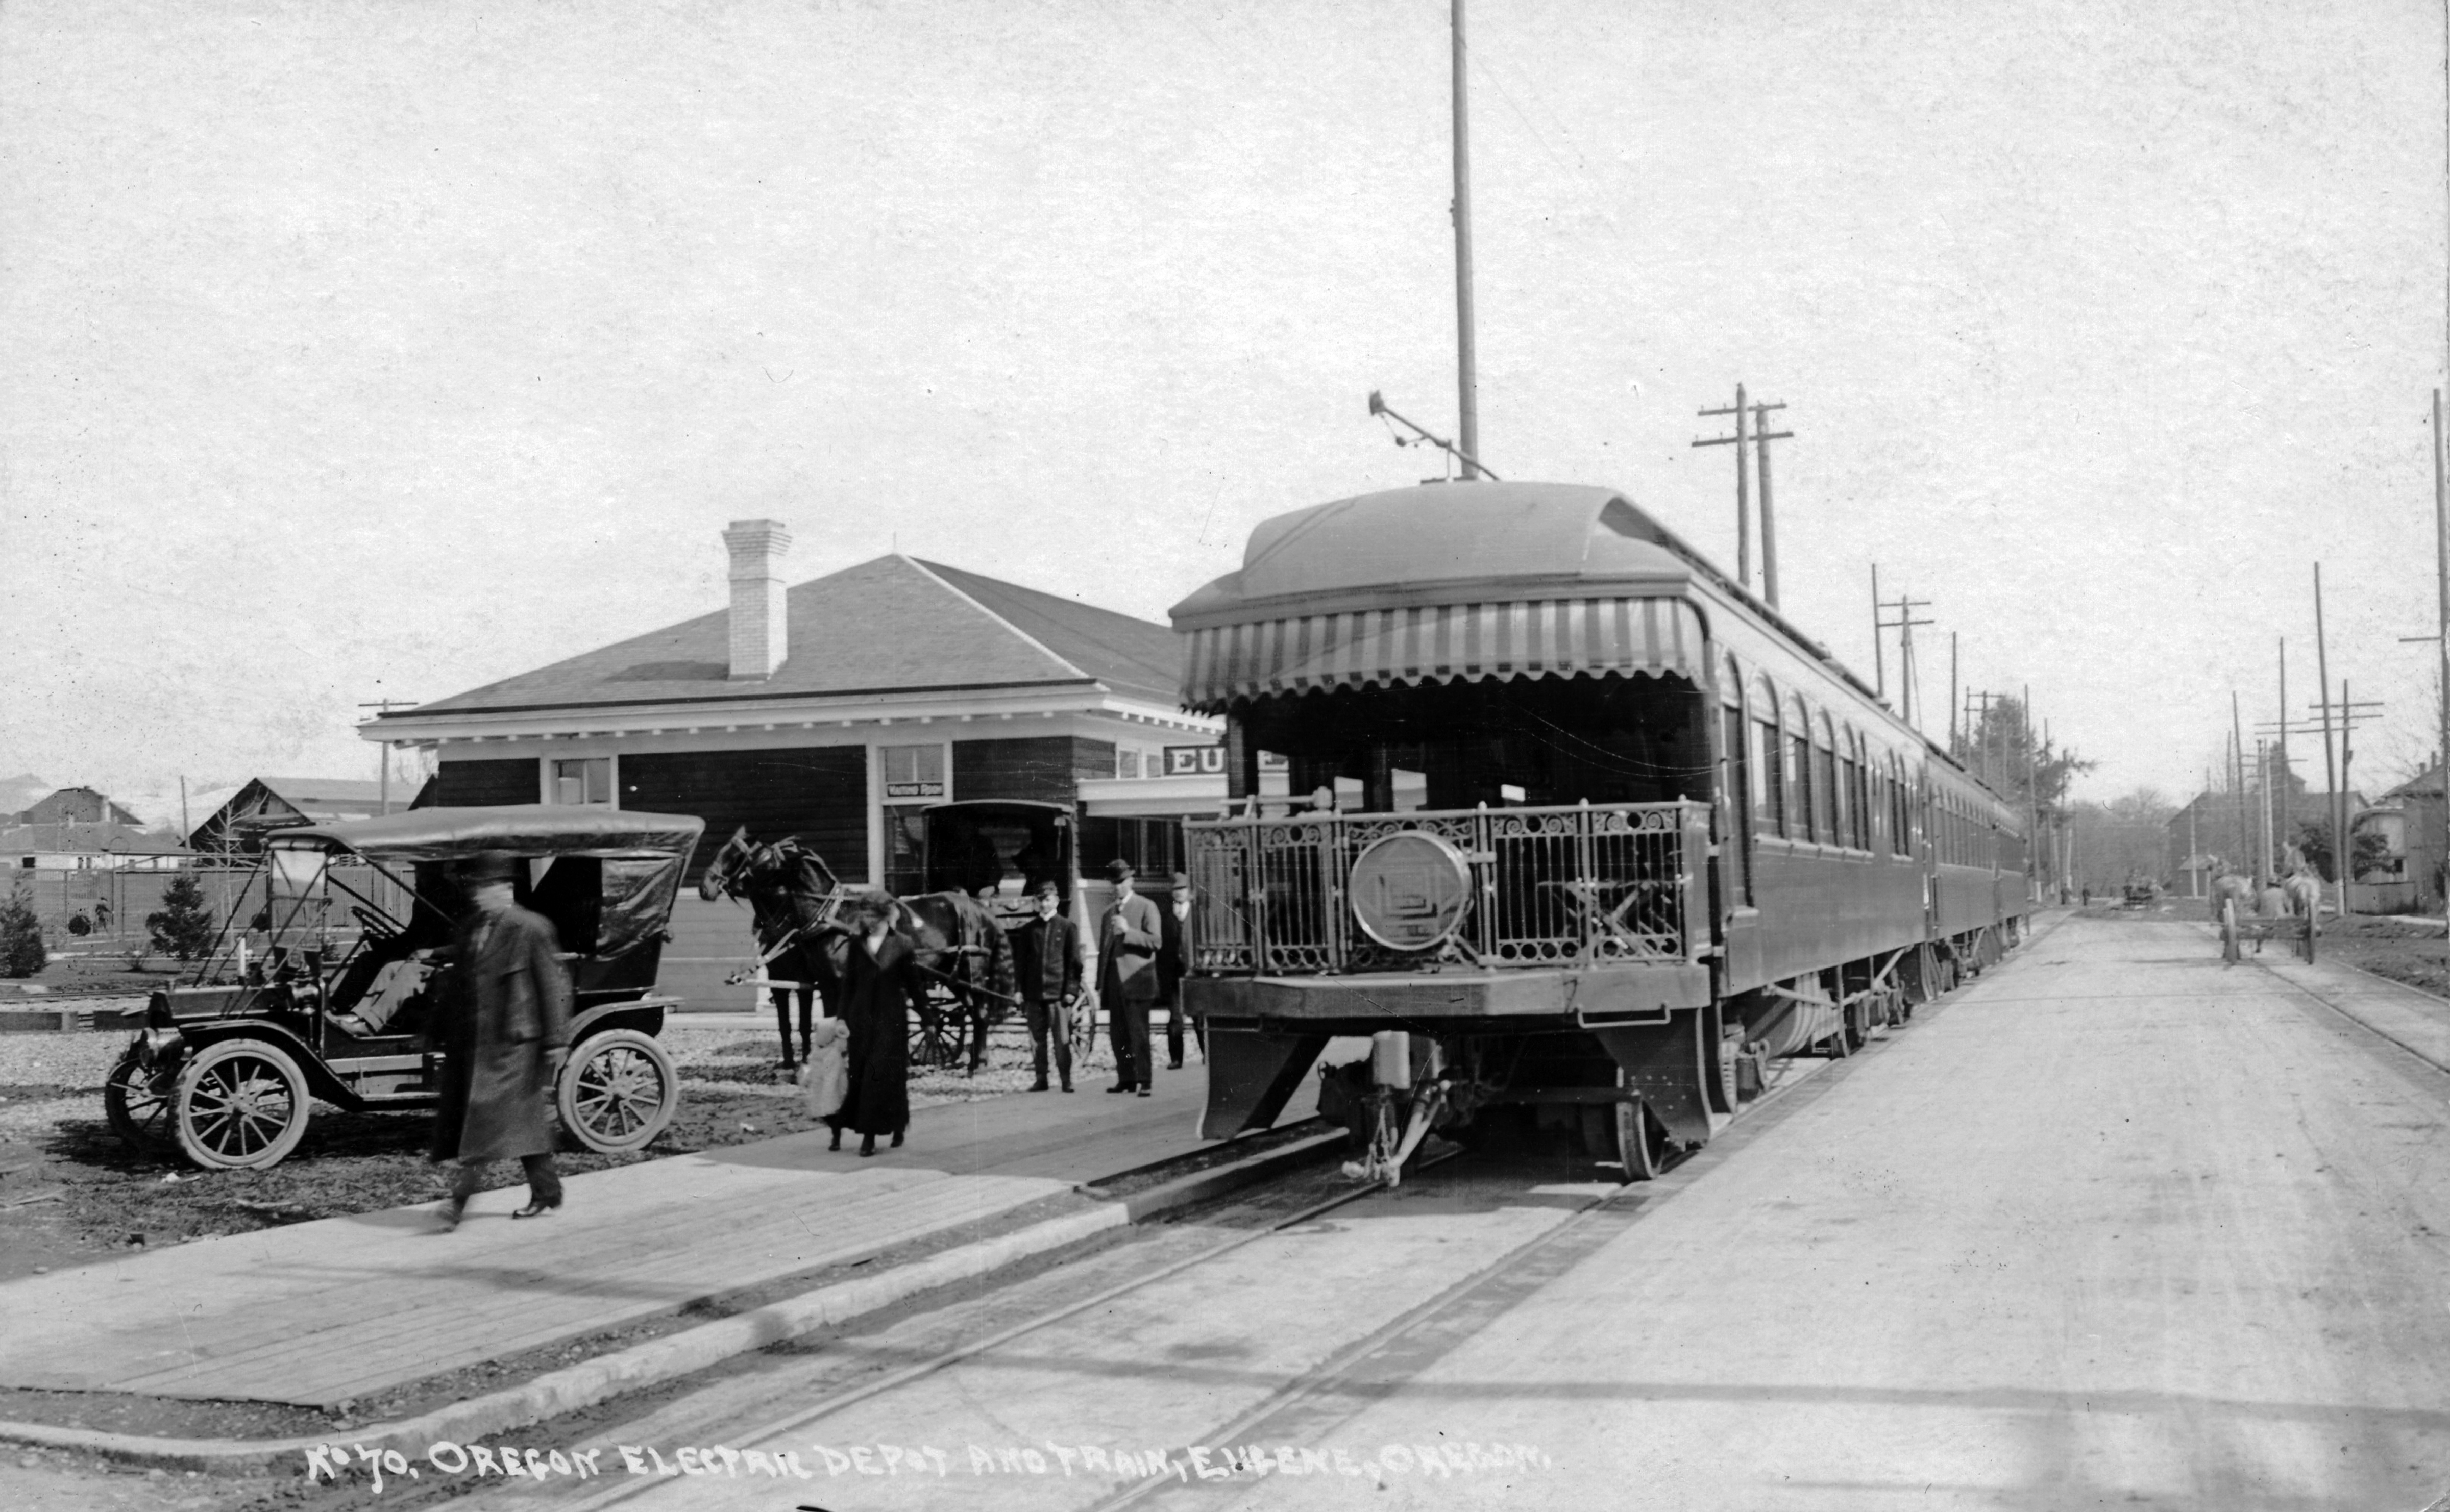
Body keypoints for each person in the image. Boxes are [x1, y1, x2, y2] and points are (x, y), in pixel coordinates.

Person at [431, 852, 571, 1228]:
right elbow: (461, 985)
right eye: (475, 888)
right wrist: (435, 1030)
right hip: (479, 1043)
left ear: (506, 889)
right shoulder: (472, 928)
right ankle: (547, 1190)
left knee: (485, 1123)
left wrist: (557, 1039)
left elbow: (555, 985)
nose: (477, 896)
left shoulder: (530, 928)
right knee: (518, 1122)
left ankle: (456, 1204)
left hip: (515, 1044)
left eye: (485, 888)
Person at [834, 889, 917, 1156]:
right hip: (861, 1021)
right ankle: (897, 1125)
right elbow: (849, 984)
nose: (868, 920)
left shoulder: (903, 944)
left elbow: (915, 986)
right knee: (860, 1074)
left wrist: (928, 1020)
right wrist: (841, 1017)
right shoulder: (858, 944)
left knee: (879, 1076)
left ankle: (869, 1136)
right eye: (865, 915)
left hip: (890, 1022)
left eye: (872, 915)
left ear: (883, 916)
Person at [1097, 860, 1164, 1096]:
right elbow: (1104, 949)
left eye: (1122, 882)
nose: (1118, 888)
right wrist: (1100, 983)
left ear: (1131, 881)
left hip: (1138, 981)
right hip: (1114, 982)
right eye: (1114, 883)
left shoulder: (1147, 907)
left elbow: (1156, 942)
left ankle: (1145, 1080)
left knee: (1139, 1034)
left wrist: (1129, 932)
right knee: (1118, 1034)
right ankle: (1126, 1078)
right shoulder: (1108, 914)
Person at [1007, 881, 1081, 1092]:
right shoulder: (1029, 930)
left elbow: (1074, 963)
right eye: (1041, 900)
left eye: (1048, 900)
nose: (1045, 904)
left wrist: (1070, 991)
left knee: (1062, 1040)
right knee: (1037, 1041)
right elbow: (1020, 963)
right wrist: (1018, 990)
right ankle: (1041, 1079)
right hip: (1033, 994)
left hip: (1058, 994)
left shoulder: (1067, 927)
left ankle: (1066, 1080)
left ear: (1056, 901)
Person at [1157, 871, 1202, 1069]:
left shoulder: (1198, 914)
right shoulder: (1165, 915)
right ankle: (1176, 1058)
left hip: (1194, 974)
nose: (1179, 893)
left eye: (1182, 889)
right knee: (1175, 1017)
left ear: (1189, 891)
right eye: (1175, 889)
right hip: (1174, 975)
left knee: (1199, 1015)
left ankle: (1206, 1054)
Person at [2254, 875, 2290, 954]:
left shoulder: (2261, 893)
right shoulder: (2283, 893)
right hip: (2280, 920)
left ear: (2268, 884)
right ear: (2277, 885)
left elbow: (2256, 908)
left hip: (2264, 920)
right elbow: (2287, 907)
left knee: (2260, 928)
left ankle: (2259, 945)